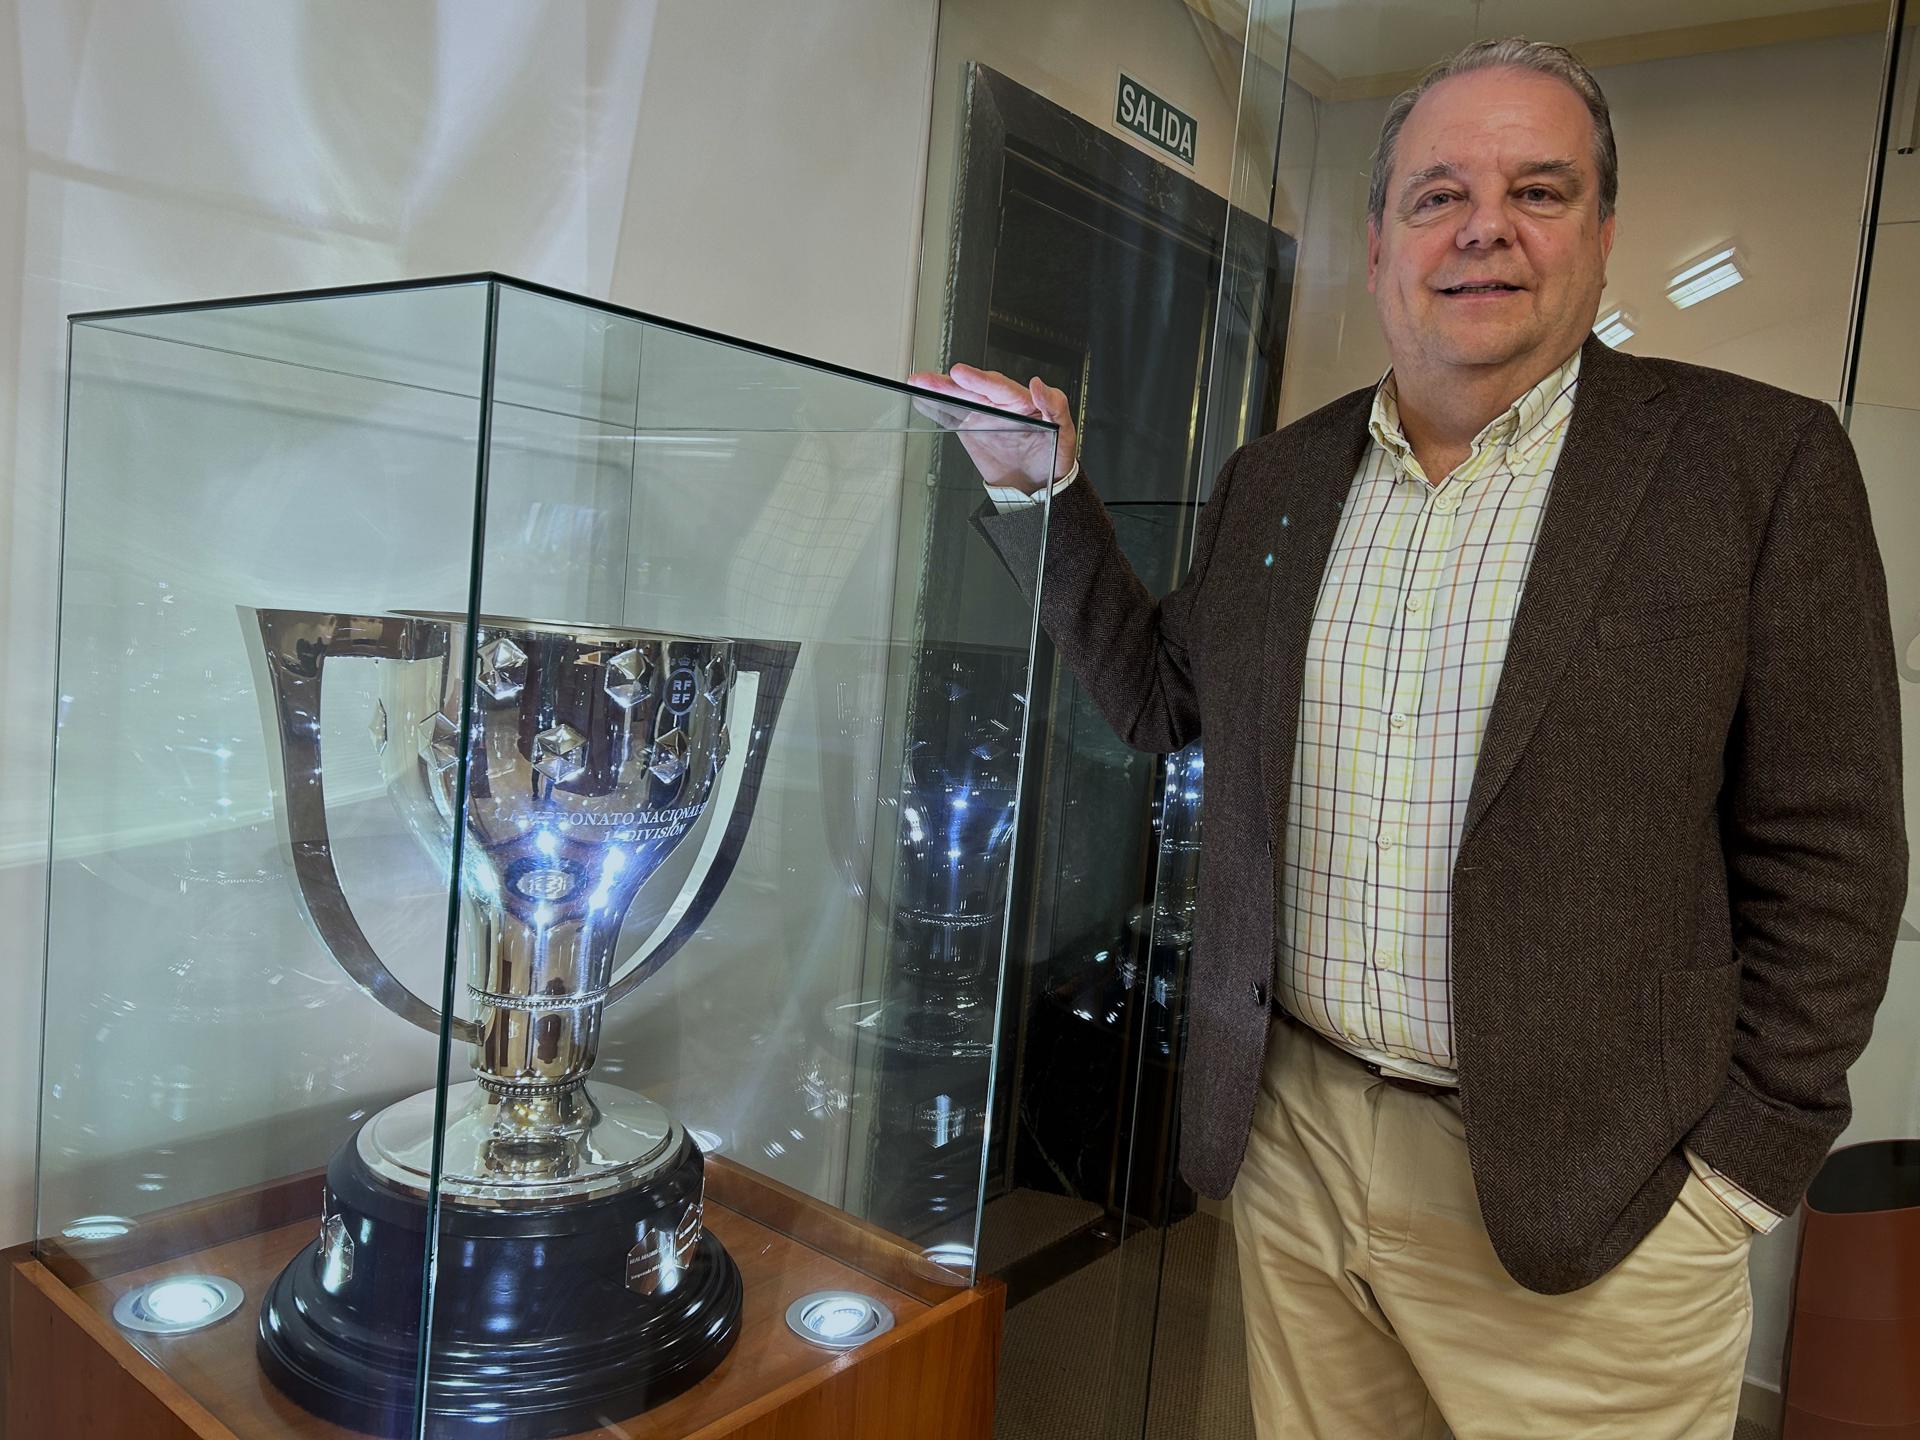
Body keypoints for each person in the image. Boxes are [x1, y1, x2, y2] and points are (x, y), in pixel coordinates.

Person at [911, 36, 1906, 1440]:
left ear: (1604, 235)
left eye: (1539, 190)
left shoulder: (1757, 465)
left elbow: (1836, 852)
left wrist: (1742, 1169)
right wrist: (1046, 497)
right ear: (1379, 246)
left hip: (1597, 1188)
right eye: (1438, 195)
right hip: (1297, 1143)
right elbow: (1158, 698)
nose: (1483, 226)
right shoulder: (1283, 478)